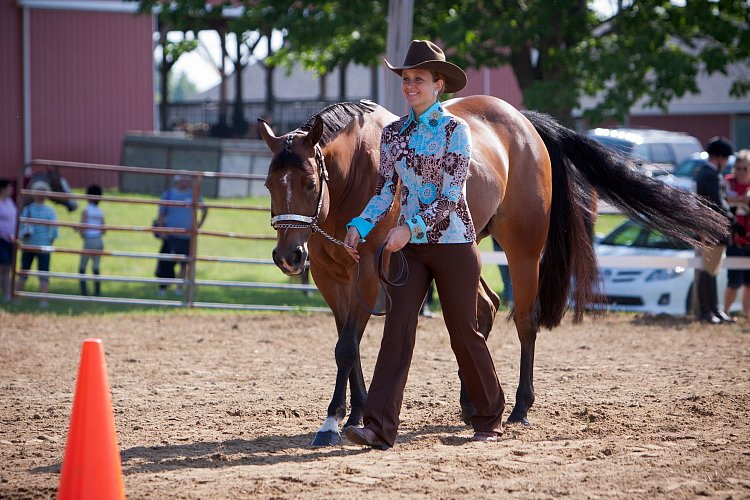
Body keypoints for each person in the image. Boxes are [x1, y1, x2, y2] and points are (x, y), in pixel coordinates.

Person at [342, 40, 505, 449]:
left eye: (419, 79)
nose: (410, 86)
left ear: (438, 84)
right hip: (410, 251)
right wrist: (359, 225)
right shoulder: (394, 134)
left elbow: (451, 197)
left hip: (452, 243)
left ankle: (489, 418)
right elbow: (384, 192)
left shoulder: (456, 131)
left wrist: (407, 229)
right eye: (406, 79)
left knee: (462, 331)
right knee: (396, 330)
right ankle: (378, 426)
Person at [694, 137, 740, 324]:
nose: (728, 162)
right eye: (726, 158)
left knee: (713, 270)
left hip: (712, 229)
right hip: (711, 230)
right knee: (709, 271)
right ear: (719, 157)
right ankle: (706, 311)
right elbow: (718, 204)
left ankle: (714, 309)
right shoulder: (710, 175)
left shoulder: (708, 173)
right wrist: (733, 220)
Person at [155, 174, 207, 296]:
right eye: (183, 180)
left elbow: (205, 209)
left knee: (185, 263)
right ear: (177, 181)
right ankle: (163, 287)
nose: (186, 183)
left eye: (188, 181)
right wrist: (162, 230)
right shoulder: (168, 194)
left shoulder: (193, 195)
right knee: (167, 262)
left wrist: (198, 226)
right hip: (171, 234)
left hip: (187, 235)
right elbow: (161, 214)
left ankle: (179, 288)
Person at [16, 180, 58, 307]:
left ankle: (18, 297)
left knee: (24, 271)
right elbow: (54, 230)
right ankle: (42, 300)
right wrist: (50, 240)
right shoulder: (50, 211)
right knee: (43, 273)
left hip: (29, 245)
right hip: (43, 246)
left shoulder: (28, 209)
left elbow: (21, 227)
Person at [723, 150, 750, 317]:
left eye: (745, 168)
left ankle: (747, 315)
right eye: (738, 168)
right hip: (736, 241)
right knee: (734, 283)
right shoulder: (729, 181)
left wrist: (737, 199)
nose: (741, 172)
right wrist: (742, 199)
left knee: (749, 284)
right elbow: (725, 198)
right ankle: (724, 312)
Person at [78, 184, 105, 296]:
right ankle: (97, 292)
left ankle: (84, 293)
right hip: (99, 240)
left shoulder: (86, 211)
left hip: (89, 240)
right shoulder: (100, 211)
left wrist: (78, 230)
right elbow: (104, 229)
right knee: (96, 267)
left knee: (82, 267)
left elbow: (82, 228)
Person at [0, 179, 18, 301]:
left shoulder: (10, 202)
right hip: (1, 239)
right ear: (2, 189)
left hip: (11, 239)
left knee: (8, 267)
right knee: (2, 266)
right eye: (9, 188)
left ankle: (8, 294)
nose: (11, 190)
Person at [492, 239, 514, 307]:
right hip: (498, 246)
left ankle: (510, 301)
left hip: (511, 245)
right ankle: (508, 301)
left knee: (510, 278)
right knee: (506, 278)